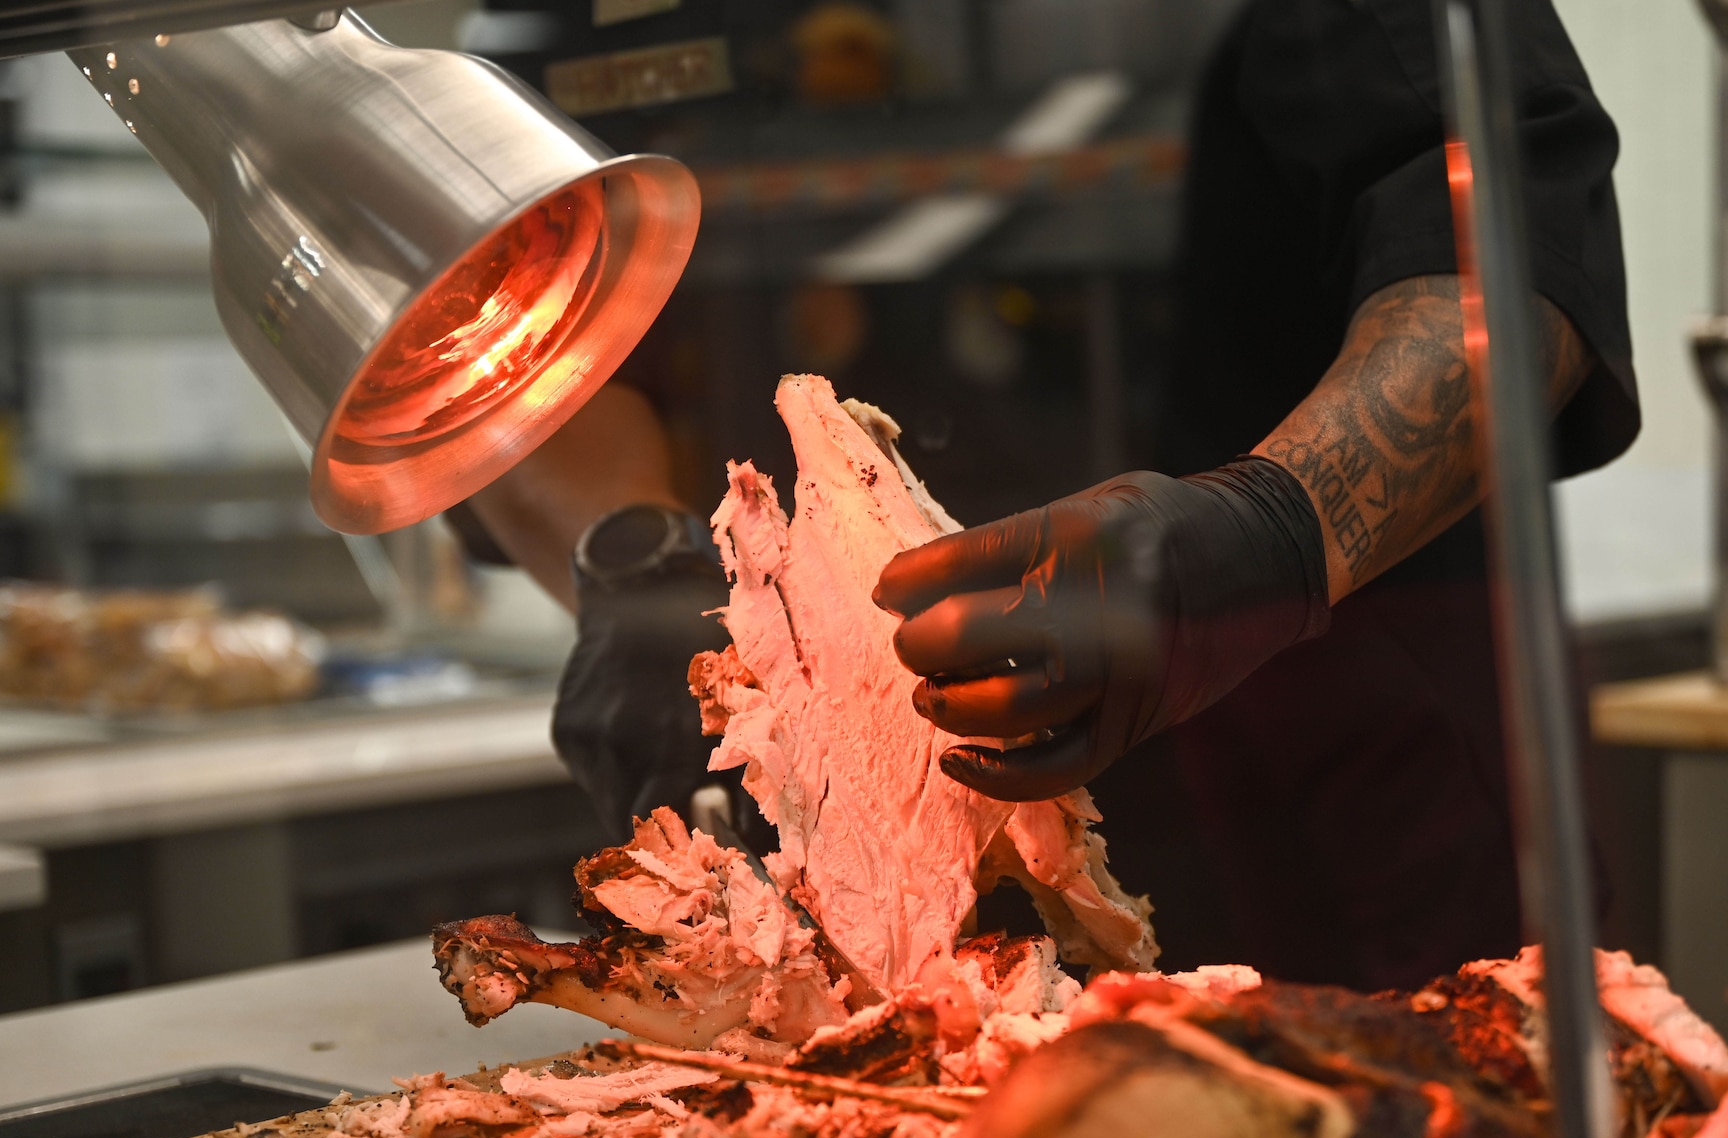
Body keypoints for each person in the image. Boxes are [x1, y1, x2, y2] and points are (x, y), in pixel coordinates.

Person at [455, 0, 1638, 993]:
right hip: (849, 859)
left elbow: (1514, 253)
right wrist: (626, 554)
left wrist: (1269, 532)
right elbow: (493, 300)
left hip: (1323, 772)